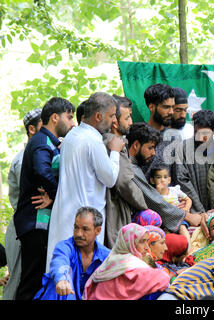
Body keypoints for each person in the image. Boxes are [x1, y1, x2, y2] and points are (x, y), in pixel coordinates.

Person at [46, 92, 125, 270]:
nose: (114, 121)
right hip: (85, 219)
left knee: (62, 268)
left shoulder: (72, 136)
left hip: (66, 214)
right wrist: (115, 151)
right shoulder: (93, 141)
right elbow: (110, 178)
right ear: (98, 116)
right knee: (79, 274)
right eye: (112, 115)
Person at [14, 97, 75, 300]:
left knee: (38, 278)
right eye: (69, 117)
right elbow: (41, 171)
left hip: (41, 223)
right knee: (31, 281)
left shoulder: (51, 142)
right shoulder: (42, 141)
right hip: (34, 221)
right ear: (55, 117)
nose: (73, 123)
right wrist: (58, 195)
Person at [127, 122, 200, 233]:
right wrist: (187, 216)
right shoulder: (130, 168)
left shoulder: (134, 166)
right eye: (150, 148)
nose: (154, 153)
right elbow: (152, 200)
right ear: (136, 145)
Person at [4, 108, 42, 300]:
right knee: (18, 279)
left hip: (29, 225)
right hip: (22, 227)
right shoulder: (24, 160)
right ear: (32, 129)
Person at [33, 207, 110, 300]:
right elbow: (59, 262)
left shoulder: (107, 256)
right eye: (76, 227)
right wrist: (61, 280)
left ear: (98, 230)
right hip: (64, 296)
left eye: (85, 229)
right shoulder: (64, 247)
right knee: (58, 286)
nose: (78, 234)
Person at [103, 94, 148, 248]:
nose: (131, 122)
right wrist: (145, 206)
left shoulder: (112, 141)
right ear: (114, 122)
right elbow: (124, 183)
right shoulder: (114, 143)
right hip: (115, 212)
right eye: (127, 118)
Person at [82, 223, 170, 300]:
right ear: (129, 243)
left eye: (147, 241)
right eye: (142, 241)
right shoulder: (131, 265)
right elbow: (164, 279)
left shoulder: (111, 261)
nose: (147, 247)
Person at [173, 109, 214, 213]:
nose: (201, 138)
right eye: (197, 132)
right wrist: (200, 211)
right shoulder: (182, 148)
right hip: (193, 210)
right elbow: (182, 180)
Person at [149, 164, 192, 243]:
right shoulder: (153, 194)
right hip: (164, 220)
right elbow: (156, 203)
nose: (162, 180)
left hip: (178, 217)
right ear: (152, 180)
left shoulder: (174, 190)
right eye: (159, 177)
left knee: (182, 227)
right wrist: (158, 191)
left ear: (169, 180)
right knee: (166, 233)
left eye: (165, 177)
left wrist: (186, 208)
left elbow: (188, 199)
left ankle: (189, 246)